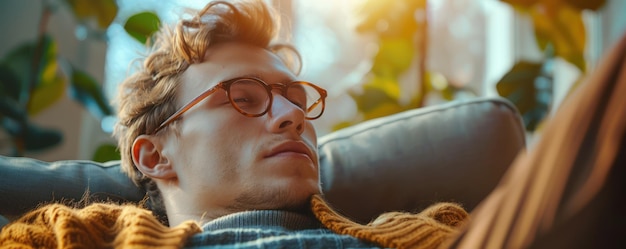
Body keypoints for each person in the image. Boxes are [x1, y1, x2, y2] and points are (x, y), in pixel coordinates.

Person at [0, 0, 468, 248]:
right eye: (244, 99)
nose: (293, 117)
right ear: (155, 155)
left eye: (296, 100)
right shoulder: (66, 240)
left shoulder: (434, 233)